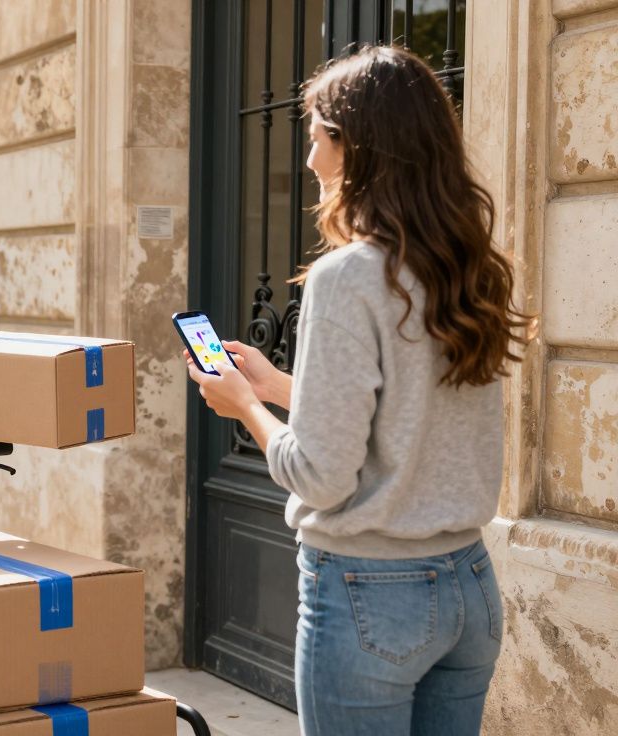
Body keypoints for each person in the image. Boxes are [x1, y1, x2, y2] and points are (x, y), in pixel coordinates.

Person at [185, 46, 532, 735]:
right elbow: (410, 415)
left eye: (317, 137)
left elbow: (319, 476)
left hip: (370, 595)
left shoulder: (347, 277)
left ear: (358, 148)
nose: (310, 158)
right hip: (468, 588)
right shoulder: (468, 271)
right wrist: (282, 385)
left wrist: (243, 405)